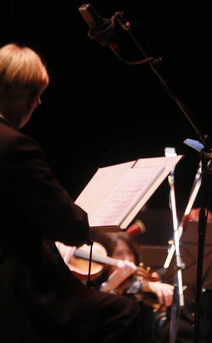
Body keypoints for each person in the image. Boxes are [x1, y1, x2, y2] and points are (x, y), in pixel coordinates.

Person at [0, 43, 141, 341]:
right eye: (36, 95)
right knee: (125, 314)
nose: (37, 105)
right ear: (21, 95)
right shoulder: (14, 146)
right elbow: (71, 226)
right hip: (17, 290)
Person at [95, 232, 174, 342]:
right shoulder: (94, 284)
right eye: (119, 254)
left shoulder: (137, 283)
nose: (127, 259)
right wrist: (110, 285)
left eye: (130, 253)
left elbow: (134, 288)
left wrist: (149, 285)